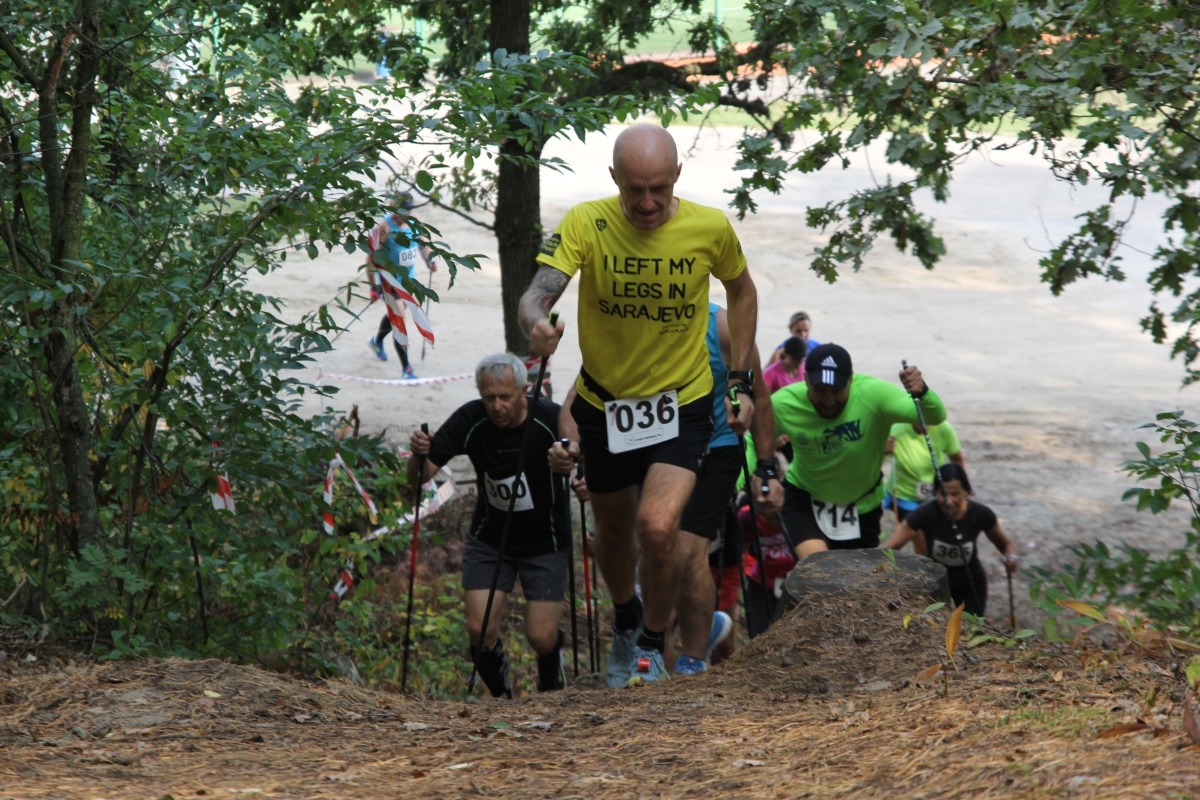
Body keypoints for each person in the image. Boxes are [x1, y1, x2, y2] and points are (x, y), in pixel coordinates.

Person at [519, 123, 763, 686]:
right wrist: (536, 324)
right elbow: (537, 292)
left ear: (676, 176)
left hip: (682, 403)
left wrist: (743, 381)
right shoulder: (588, 221)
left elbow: (743, 289)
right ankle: (627, 615)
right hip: (606, 408)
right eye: (635, 190)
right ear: (615, 179)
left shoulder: (709, 227)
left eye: (657, 188)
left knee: (658, 527)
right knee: (612, 536)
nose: (647, 203)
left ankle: (653, 642)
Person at [406, 353, 575, 697]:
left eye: (505, 398)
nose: (497, 406)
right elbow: (419, 479)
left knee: (540, 637)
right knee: (479, 629)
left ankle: (551, 676)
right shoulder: (471, 419)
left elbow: (582, 456)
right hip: (491, 538)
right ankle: (503, 699)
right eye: (489, 398)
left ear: (523, 391)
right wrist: (417, 455)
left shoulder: (549, 418)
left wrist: (579, 477)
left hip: (546, 540)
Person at [759, 343, 946, 558]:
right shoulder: (784, 403)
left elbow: (934, 416)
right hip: (805, 500)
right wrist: (740, 481)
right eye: (819, 391)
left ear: (851, 380)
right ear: (806, 380)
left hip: (862, 505)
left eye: (836, 391)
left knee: (855, 584)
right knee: (820, 571)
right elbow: (756, 441)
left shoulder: (873, 393)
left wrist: (922, 392)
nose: (828, 401)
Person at [672, 302, 780, 675]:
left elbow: (761, 396)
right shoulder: (639, 318)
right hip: (660, 447)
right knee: (657, 547)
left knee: (688, 550)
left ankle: (693, 653)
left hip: (716, 447)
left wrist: (766, 467)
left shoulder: (723, 328)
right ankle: (683, 635)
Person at [882, 463, 1019, 616]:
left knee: (971, 631)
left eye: (955, 494)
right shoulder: (924, 513)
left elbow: (1006, 544)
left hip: (971, 585)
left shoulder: (980, 514)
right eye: (943, 494)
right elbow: (891, 546)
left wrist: (1011, 558)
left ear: (966, 492)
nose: (948, 501)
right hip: (934, 584)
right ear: (935, 492)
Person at [366, 191, 437, 380]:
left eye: (408, 210)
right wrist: (373, 286)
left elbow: (423, 245)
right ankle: (407, 369)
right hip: (389, 281)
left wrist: (430, 261)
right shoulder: (383, 227)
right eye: (400, 211)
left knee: (393, 318)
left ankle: (376, 341)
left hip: (408, 280)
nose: (404, 215)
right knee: (398, 321)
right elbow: (370, 257)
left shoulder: (415, 222)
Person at [885, 420, 965, 524]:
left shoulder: (944, 428)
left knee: (931, 529)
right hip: (903, 493)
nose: (923, 421)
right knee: (916, 534)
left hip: (933, 491)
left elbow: (957, 460)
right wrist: (885, 450)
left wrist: (962, 488)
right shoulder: (896, 429)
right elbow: (877, 462)